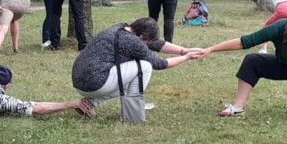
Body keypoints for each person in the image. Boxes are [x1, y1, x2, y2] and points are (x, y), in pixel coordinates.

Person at [71, 17, 204, 109]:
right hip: (95, 84)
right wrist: (187, 57)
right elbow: (159, 64)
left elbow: (156, 44)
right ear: (141, 37)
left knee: (131, 73)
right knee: (144, 67)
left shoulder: (122, 28)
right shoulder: (132, 41)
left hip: (80, 82)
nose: (149, 45)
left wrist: (183, 50)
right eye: (148, 42)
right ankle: (133, 109)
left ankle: (90, 104)